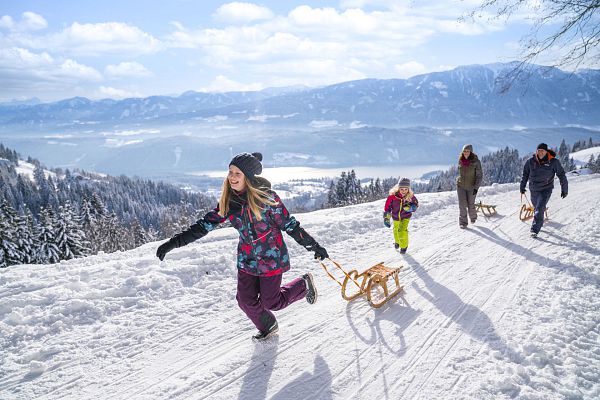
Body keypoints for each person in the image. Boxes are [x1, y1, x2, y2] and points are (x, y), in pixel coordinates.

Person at [155, 152, 329, 341]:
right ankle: (267, 325)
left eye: (237, 173)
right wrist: (173, 243)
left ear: (248, 177)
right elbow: (202, 226)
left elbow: (290, 225)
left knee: (272, 302)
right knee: (245, 301)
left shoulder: (267, 199)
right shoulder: (229, 203)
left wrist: (314, 246)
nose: (232, 177)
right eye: (230, 172)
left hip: (272, 259)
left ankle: (303, 284)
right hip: (247, 260)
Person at [520, 143, 568, 237]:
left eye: (542, 151)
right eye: (539, 151)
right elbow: (525, 174)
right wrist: (522, 186)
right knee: (536, 206)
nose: (540, 153)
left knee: (540, 207)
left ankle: (535, 229)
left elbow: (561, 175)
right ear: (536, 151)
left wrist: (564, 189)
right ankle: (540, 217)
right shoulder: (531, 161)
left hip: (546, 189)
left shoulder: (553, 162)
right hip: (533, 189)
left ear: (546, 152)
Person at [383, 177, 419, 254]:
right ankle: (397, 242)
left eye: (406, 189)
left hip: (405, 217)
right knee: (396, 230)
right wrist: (386, 218)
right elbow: (387, 208)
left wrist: (410, 208)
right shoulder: (392, 197)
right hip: (395, 217)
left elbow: (416, 204)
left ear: (408, 189)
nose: (404, 191)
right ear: (398, 188)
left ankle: (404, 246)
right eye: (402, 189)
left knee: (402, 230)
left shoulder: (410, 196)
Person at [456, 144, 483, 229]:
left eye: (467, 151)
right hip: (461, 186)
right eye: (464, 151)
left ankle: (473, 217)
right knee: (462, 205)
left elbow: (479, 175)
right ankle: (463, 222)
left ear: (471, 152)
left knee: (470, 204)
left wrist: (476, 187)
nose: (466, 153)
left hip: (471, 187)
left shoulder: (476, 162)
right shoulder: (460, 160)